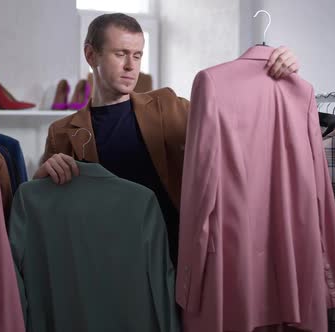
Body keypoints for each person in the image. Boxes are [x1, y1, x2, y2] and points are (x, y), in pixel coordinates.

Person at [34, 13, 300, 264]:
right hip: (105, 262)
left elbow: (234, 121)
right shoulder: (63, 132)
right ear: (91, 55)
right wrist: (43, 174)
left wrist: (273, 76)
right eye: (121, 54)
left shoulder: (167, 105)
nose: (131, 66)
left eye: (137, 56)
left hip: (175, 260)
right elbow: (43, 210)